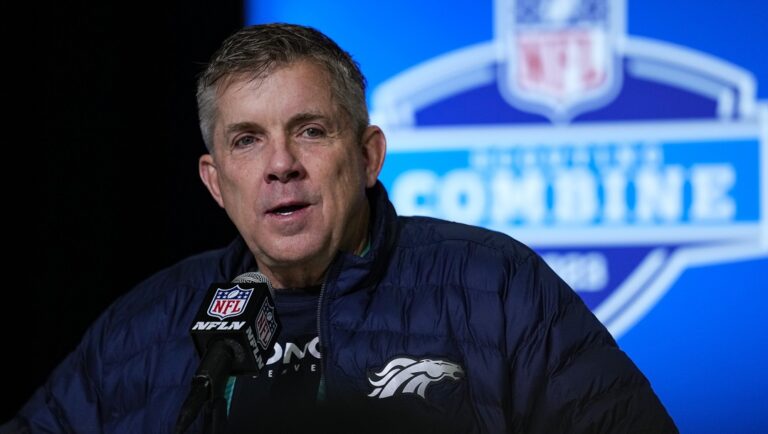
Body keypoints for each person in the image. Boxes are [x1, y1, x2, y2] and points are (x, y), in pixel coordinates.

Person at [5, 23, 677, 433]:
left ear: (368, 156)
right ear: (214, 181)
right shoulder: (144, 326)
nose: (280, 166)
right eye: (247, 140)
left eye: (310, 131)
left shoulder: (494, 286)